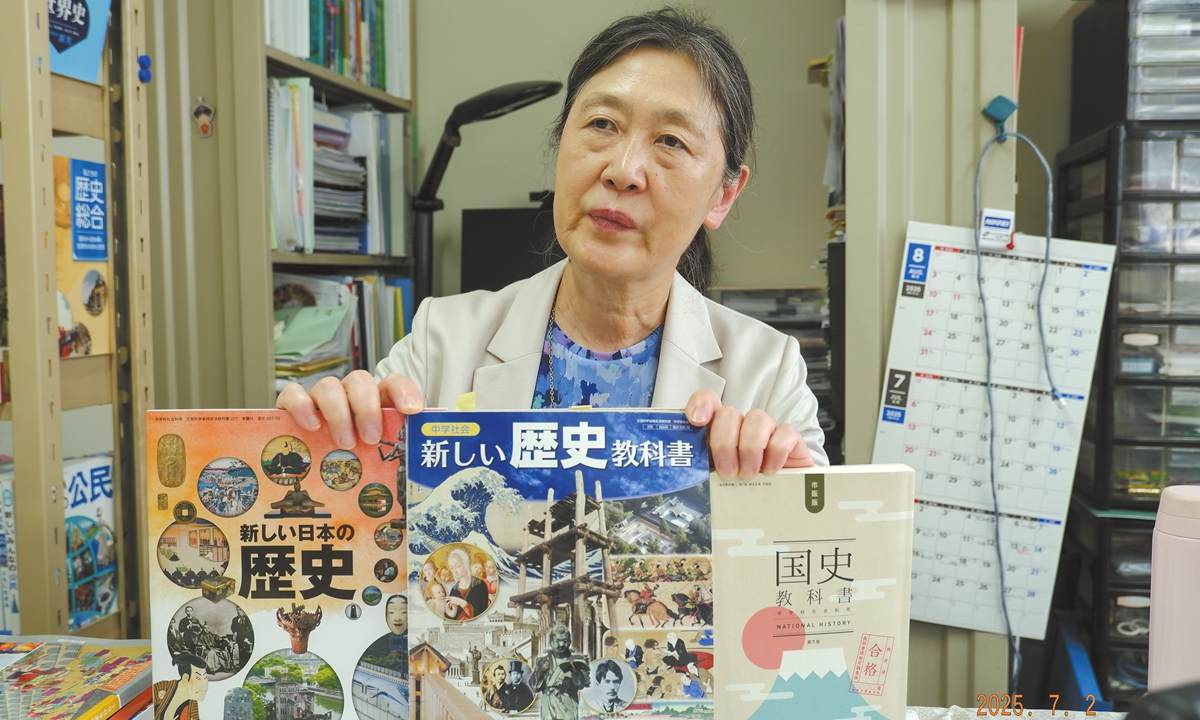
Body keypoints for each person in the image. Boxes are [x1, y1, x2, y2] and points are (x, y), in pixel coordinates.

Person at [277, 7, 827, 482]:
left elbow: (825, 577)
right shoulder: (442, 340)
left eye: (670, 141)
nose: (623, 170)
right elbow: (359, 524)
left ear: (723, 194)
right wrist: (317, 438)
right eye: (603, 124)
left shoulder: (768, 371)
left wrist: (787, 496)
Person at [530, 626, 590, 720]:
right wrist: (542, 670)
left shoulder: (577, 661)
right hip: (549, 704)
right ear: (551, 643)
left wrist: (576, 671)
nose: (561, 644)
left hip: (568, 703)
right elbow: (534, 687)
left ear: (570, 642)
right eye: (557, 641)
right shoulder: (542, 662)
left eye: (565, 641)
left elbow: (581, 685)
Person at [153, 652, 208, 720]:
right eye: (198, 678)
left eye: (205, 678)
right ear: (185, 678)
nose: (205, 686)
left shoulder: (192, 703)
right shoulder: (162, 688)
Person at [444, 548, 490, 620]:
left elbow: (481, 614)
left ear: (466, 564)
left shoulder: (480, 585)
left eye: (458, 566)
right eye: (452, 568)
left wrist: (462, 603)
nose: (455, 571)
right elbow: (450, 618)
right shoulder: (454, 590)